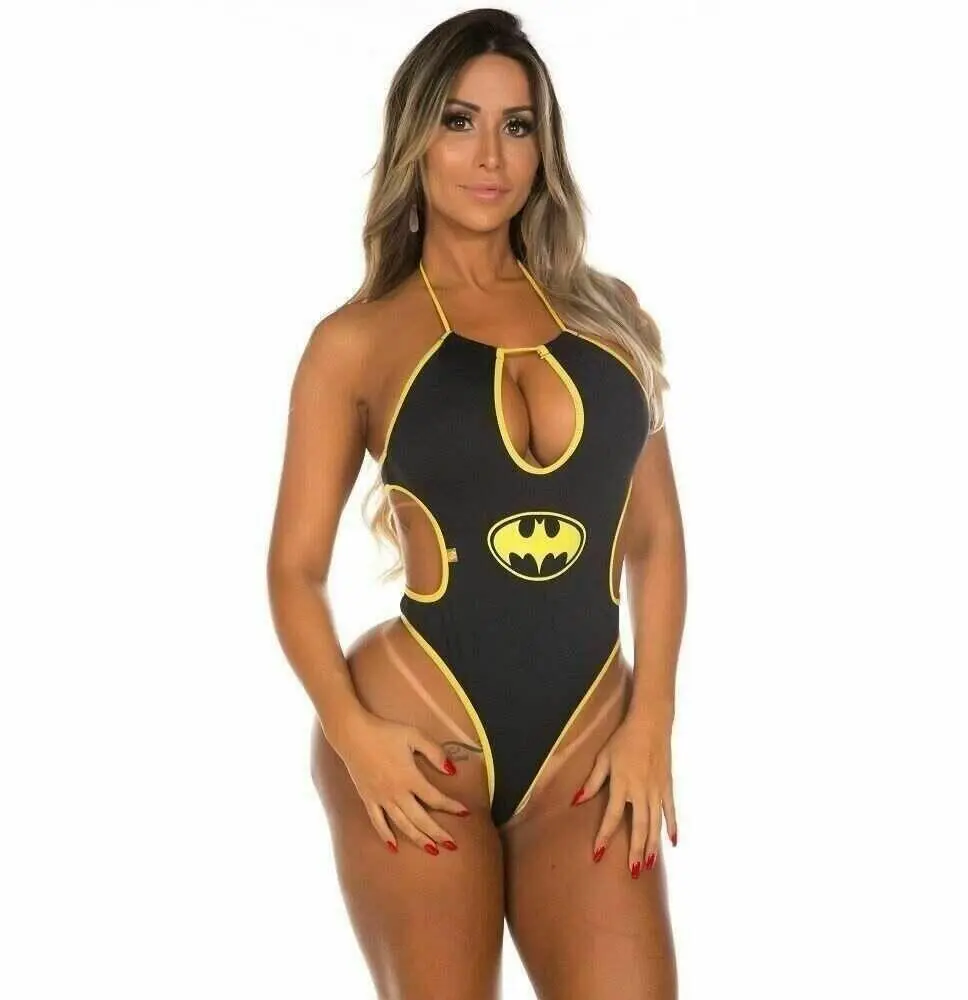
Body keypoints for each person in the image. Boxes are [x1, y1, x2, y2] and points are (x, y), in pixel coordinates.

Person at [267, 9, 686, 999]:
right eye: (459, 122)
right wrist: (351, 734)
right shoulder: (356, 341)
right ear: (415, 138)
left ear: (545, 145)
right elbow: (293, 569)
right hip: (417, 735)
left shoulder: (610, 315)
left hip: (589, 743)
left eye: (517, 124)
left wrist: (652, 720)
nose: (490, 155)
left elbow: (658, 536)